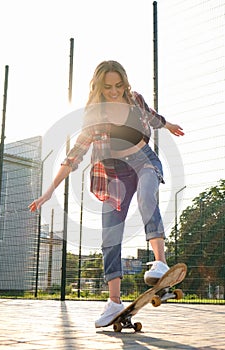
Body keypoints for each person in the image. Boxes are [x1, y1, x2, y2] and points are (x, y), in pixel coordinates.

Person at [29, 60, 184, 328]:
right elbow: (73, 157)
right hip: (113, 175)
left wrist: (168, 125)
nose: (114, 91)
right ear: (99, 87)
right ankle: (114, 301)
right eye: (108, 87)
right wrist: (49, 191)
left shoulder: (135, 100)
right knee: (110, 236)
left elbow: (152, 117)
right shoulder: (93, 116)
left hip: (143, 160)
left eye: (118, 86)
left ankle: (159, 262)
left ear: (125, 83)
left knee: (148, 194)